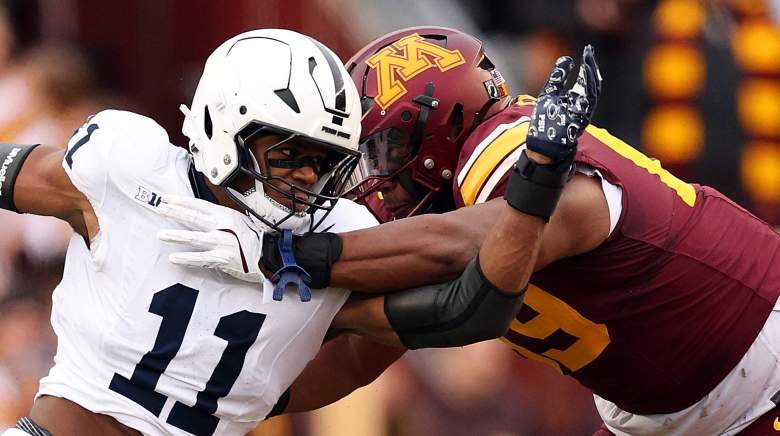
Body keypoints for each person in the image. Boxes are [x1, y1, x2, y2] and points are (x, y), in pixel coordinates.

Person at [162, 27, 780, 435]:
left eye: (380, 152)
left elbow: (478, 238)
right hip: (668, 409)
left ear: (437, 124)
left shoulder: (507, 143)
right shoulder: (436, 216)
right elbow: (358, 355)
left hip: (759, 366)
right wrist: (233, 400)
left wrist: (284, 254)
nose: (370, 180)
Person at [0, 28, 382, 436]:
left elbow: (375, 348)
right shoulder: (133, 169)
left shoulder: (338, 238)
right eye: (288, 153)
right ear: (223, 127)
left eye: (324, 161)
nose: (308, 175)